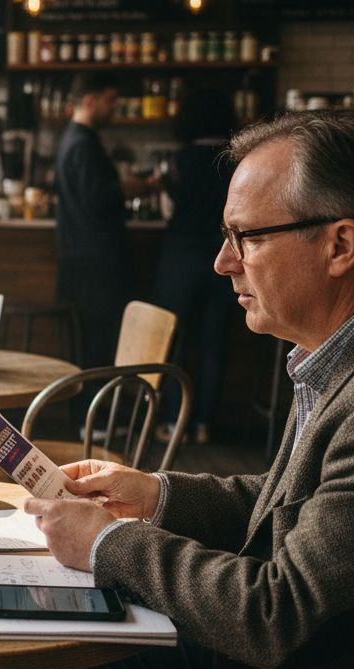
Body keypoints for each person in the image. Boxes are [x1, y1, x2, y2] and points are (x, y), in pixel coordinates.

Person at [26, 110, 354, 669]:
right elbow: (307, 505)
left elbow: (284, 614)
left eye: (244, 237)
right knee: (106, 661)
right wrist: (158, 495)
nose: (222, 263)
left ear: (340, 246)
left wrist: (108, 544)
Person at [151, 89, 239, 445]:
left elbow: (170, 205)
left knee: (174, 340)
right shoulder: (236, 161)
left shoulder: (180, 160)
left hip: (181, 254)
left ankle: (174, 423)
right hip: (224, 255)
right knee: (213, 341)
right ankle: (203, 423)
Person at [54, 72, 151, 374]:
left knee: (94, 348)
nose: (115, 107)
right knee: (98, 349)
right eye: (110, 101)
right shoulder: (83, 143)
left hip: (83, 262)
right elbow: (97, 198)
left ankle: (91, 419)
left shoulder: (75, 139)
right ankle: (93, 420)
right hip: (95, 268)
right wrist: (134, 186)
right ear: (89, 101)